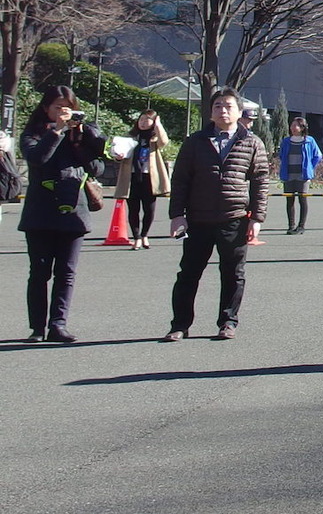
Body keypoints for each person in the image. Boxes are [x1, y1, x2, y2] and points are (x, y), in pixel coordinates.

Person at [165, 87, 270, 342]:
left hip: (234, 217)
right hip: (198, 218)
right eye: (217, 106)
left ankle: (228, 322)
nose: (223, 110)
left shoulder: (252, 142)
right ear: (211, 112)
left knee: (233, 273)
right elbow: (180, 179)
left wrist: (257, 217)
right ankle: (179, 325)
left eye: (228, 106)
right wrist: (177, 215)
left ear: (238, 111)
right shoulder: (195, 141)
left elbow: (260, 181)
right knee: (188, 273)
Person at [19, 86, 106, 343]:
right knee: (39, 272)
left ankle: (58, 324)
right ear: (46, 109)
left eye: (66, 107)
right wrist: (57, 131)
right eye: (57, 107)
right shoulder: (33, 134)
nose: (62, 112)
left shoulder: (79, 134)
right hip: (40, 212)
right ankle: (36, 328)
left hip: (73, 211)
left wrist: (79, 139)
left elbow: (97, 167)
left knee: (66, 273)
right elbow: (38, 158)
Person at [113, 109, 171, 249]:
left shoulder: (154, 138)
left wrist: (158, 126)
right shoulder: (130, 137)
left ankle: (145, 235)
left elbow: (164, 142)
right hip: (132, 176)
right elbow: (118, 153)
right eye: (141, 119)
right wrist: (117, 156)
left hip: (150, 177)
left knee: (149, 209)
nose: (143, 122)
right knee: (133, 209)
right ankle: (137, 237)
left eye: (147, 120)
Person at [275, 116, 323, 235]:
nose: (292, 127)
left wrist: (310, 167)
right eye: (292, 125)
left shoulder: (309, 140)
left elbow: (318, 155)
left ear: (302, 127)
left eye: (295, 125)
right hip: (288, 174)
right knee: (289, 200)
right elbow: (281, 155)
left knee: (303, 200)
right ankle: (291, 225)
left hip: (303, 176)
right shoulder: (286, 141)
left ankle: (301, 226)